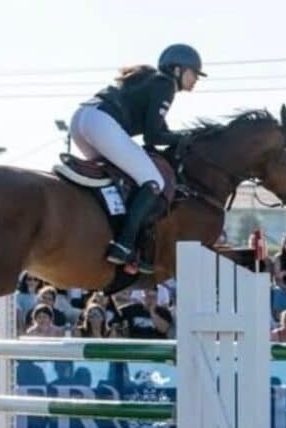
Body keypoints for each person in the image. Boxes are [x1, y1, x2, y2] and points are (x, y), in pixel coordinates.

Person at [69, 44, 205, 272]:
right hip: (101, 123)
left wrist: (178, 136)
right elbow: (154, 136)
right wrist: (185, 138)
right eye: (194, 73)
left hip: (81, 120)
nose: (196, 80)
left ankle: (102, 228)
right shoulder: (165, 85)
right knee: (154, 182)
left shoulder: (152, 82)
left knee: (119, 178)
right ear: (177, 70)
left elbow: (158, 133)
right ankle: (124, 245)